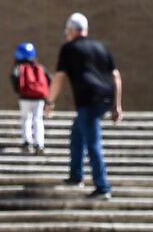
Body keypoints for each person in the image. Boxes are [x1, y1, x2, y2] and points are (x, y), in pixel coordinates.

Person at [46, 11, 123, 201]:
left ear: (71, 31)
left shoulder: (69, 49)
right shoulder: (101, 47)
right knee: (77, 133)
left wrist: (49, 101)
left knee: (93, 142)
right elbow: (116, 76)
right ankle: (76, 175)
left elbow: (58, 77)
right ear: (85, 30)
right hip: (106, 97)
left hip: (89, 99)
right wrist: (117, 105)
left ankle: (103, 186)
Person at [10, 41, 49, 153]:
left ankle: (27, 142)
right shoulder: (39, 67)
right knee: (38, 119)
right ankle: (39, 144)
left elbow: (14, 77)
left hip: (25, 97)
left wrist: (19, 90)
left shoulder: (19, 67)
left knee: (26, 119)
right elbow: (49, 79)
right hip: (39, 98)